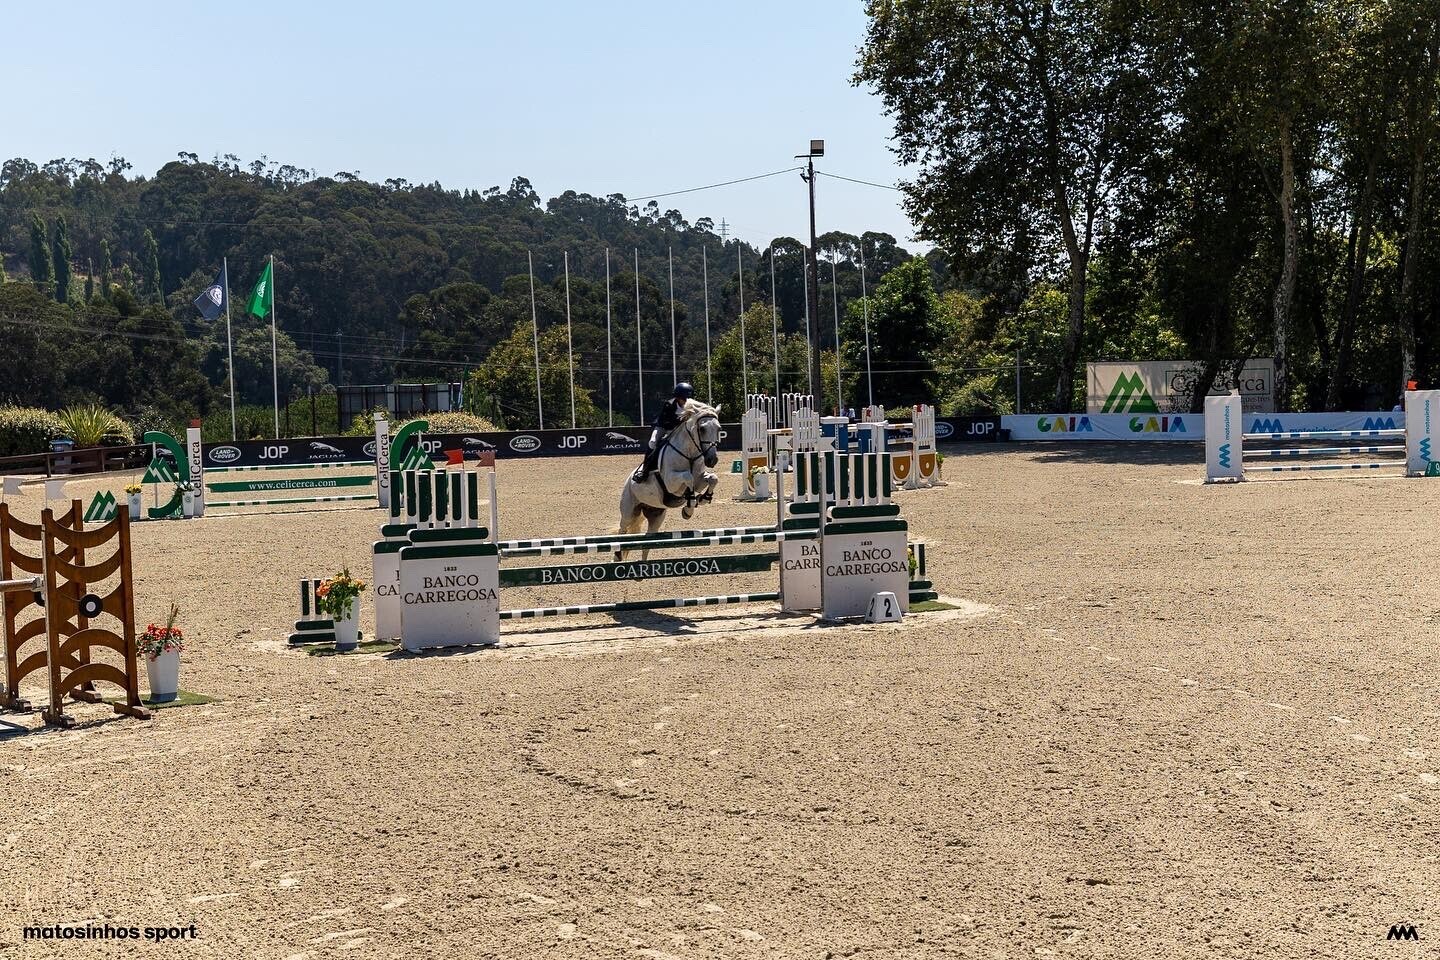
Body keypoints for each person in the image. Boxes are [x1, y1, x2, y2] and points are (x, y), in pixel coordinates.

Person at [636, 383, 695, 480]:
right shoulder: (669, 405)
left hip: (681, 430)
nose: (686, 401)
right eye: (684, 399)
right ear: (677, 397)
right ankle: (644, 470)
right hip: (665, 428)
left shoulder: (693, 406)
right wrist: (679, 421)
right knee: (652, 442)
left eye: (689, 398)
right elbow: (666, 422)